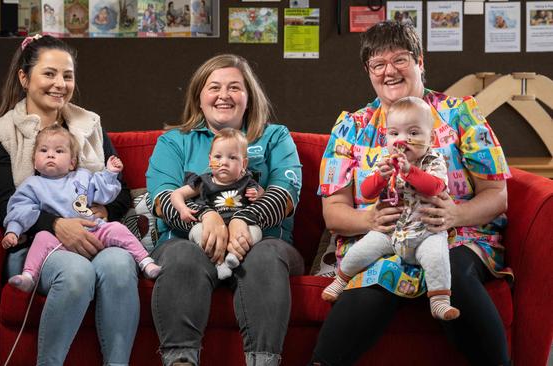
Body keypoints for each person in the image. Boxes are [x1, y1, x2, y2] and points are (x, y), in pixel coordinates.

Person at [312, 20, 512, 365]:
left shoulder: (459, 113)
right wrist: (368, 218)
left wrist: (456, 214)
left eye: (400, 60)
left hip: (456, 236)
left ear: (420, 61)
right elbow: (334, 212)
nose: (389, 71)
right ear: (368, 71)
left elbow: (497, 194)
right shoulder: (351, 128)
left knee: (453, 272)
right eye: (378, 64)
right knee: (370, 287)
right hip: (383, 240)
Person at [0, 34, 140, 365]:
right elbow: (6, 207)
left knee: (120, 265)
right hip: (39, 245)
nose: (59, 84)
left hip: (95, 237)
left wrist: (100, 210)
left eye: (67, 75)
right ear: (24, 77)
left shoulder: (90, 125)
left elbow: (123, 192)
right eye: (49, 73)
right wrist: (59, 225)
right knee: (76, 273)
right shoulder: (0, 134)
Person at [146, 54, 305, 366]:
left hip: (263, 243)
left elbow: (286, 195)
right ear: (199, 96)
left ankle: (264, 361)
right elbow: (162, 200)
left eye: (235, 87)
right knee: (181, 256)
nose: (224, 95)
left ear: (248, 97)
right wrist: (209, 217)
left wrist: (244, 220)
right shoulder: (174, 141)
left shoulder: (275, 137)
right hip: (188, 242)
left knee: (265, 256)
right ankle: (180, 361)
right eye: (214, 87)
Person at [320, 96, 459, 321]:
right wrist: (379, 177)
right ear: (386, 137)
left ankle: (439, 301)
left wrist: (408, 172)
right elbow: (367, 192)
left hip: (426, 232)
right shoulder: (386, 161)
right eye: (394, 134)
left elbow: (435, 187)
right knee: (360, 251)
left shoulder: (434, 160)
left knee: (438, 258)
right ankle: (339, 281)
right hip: (392, 231)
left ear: (430, 138)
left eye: (413, 133)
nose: (402, 140)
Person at [2, 125, 161, 292]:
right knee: (40, 237)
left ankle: (145, 262)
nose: (50, 154)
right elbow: (20, 210)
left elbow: (102, 191)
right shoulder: (32, 185)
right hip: (57, 239)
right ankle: (29, 276)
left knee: (117, 228)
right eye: (43, 150)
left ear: (72, 163)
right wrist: (13, 231)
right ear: (34, 161)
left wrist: (109, 173)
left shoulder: (82, 176)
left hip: (94, 231)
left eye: (59, 151)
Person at [170, 128, 264, 280]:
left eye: (233, 158)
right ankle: (219, 263)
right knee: (196, 230)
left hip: (238, 229)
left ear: (244, 163)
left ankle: (233, 256)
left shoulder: (247, 181)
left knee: (256, 231)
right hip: (212, 228)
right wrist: (182, 209)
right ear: (210, 160)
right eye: (218, 157)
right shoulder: (203, 181)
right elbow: (176, 194)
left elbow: (263, 195)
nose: (224, 162)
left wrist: (257, 194)